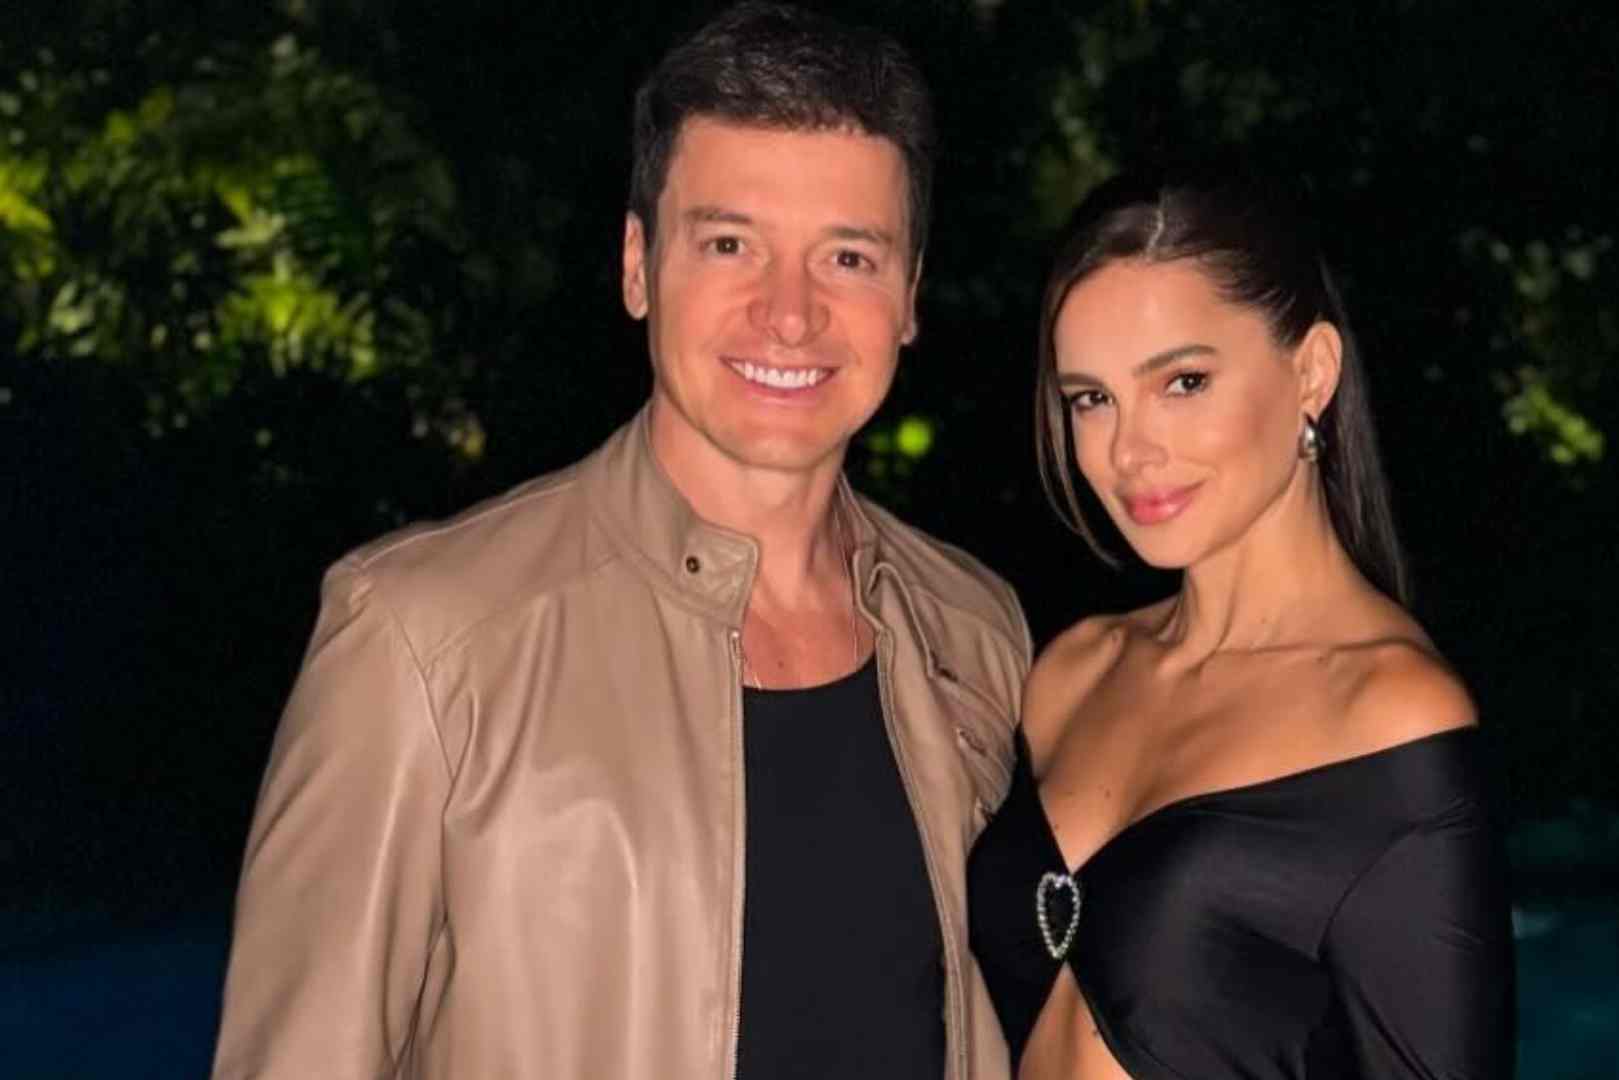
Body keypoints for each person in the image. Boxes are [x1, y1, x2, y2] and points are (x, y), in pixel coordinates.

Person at [212, 4, 1031, 1077]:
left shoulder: (975, 632)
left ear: (909, 297)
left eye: (848, 257)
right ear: (639, 264)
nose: (790, 314)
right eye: (730, 244)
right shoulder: (422, 640)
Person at [967, 172, 1514, 1079]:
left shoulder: (1390, 715)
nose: (1129, 450)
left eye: (1182, 382)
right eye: (1091, 399)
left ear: (1312, 373)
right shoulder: (1073, 672)